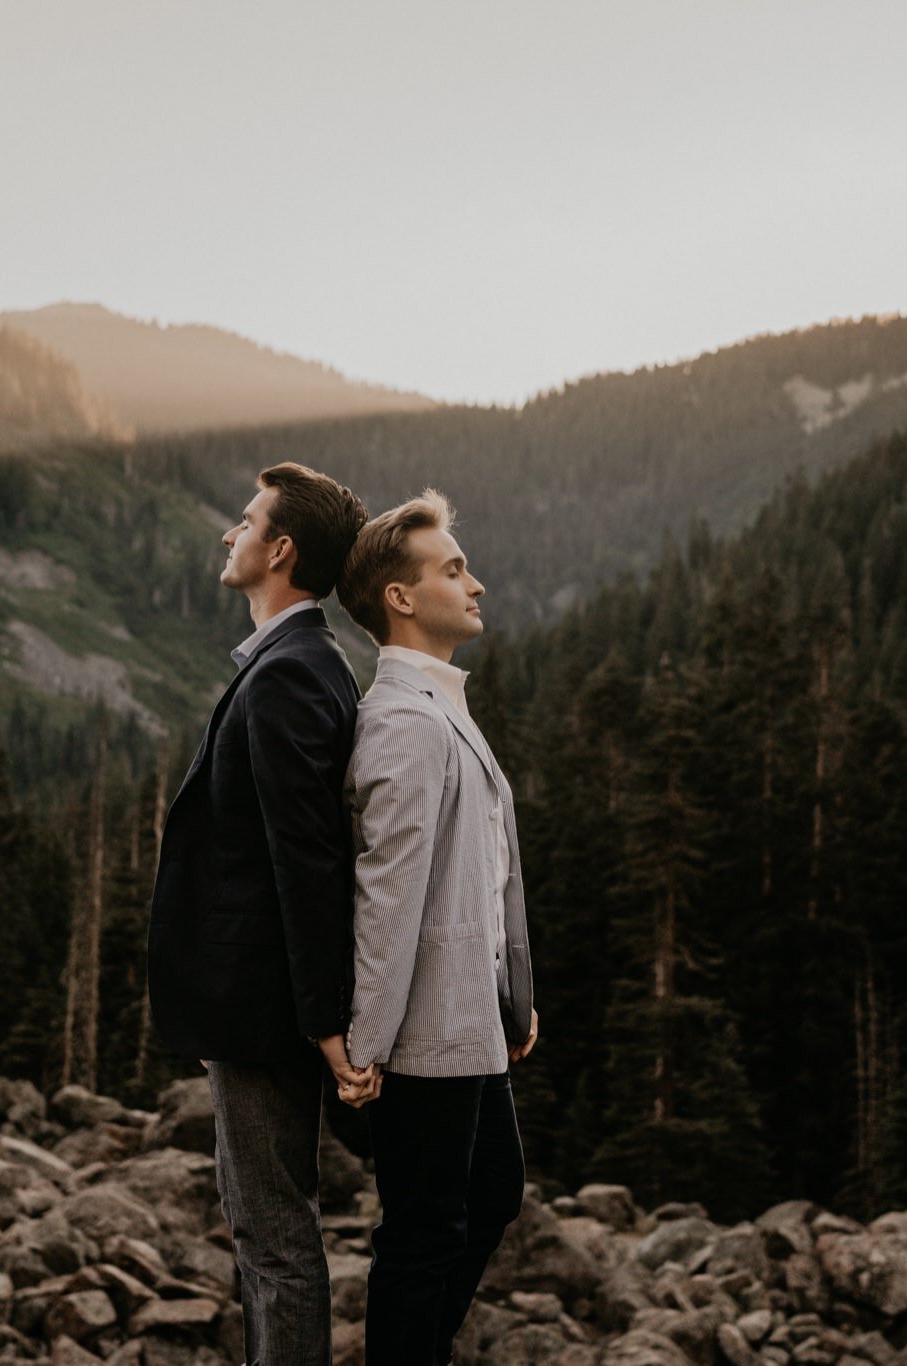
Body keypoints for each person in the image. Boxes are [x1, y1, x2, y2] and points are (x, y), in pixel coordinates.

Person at [147, 461, 376, 1366]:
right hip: (264, 1004)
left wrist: (323, 1021)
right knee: (272, 1233)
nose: (229, 533)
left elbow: (308, 861)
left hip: (266, 1008)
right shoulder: (301, 662)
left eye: (245, 521)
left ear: (281, 550)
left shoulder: (291, 672)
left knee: (272, 1237)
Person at [335, 489, 538, 1366]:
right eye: (454, 568)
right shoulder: (404, 724)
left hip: (468, 1020)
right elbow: (390, 893)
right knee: (423, 1235)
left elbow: (482, 876)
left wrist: (511, 998)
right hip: (418, 1036)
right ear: (401, 598)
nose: (477, 583)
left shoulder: (442, 709)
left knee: (491, 1193)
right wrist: (364, 1047)